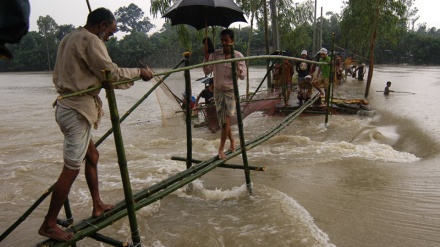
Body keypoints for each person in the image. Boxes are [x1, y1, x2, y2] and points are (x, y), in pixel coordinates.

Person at [38, 8, 153, 242]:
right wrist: (140, 72)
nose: (110, 37)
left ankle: (97, 204)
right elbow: (110, 73)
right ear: (102, 26)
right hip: (77, 111)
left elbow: (98, 73)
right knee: (71, 168)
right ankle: (49, 224)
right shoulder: (91, 40)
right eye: (110, 32)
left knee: (92, 156)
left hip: (68, 105)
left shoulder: (70, 37)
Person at [203, 29, 246, 159]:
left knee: (225, 121)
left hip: (230, 92)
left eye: (226, 40)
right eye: (222, 40)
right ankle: (233, 141)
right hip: (217, 91)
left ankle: (221, 149)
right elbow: (206, 71)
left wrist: (235, 65)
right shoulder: (215, 55)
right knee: (223, 122)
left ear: (232, 41)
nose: (224, 43)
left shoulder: (238, 56)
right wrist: (206, 55)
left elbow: (243, 75)